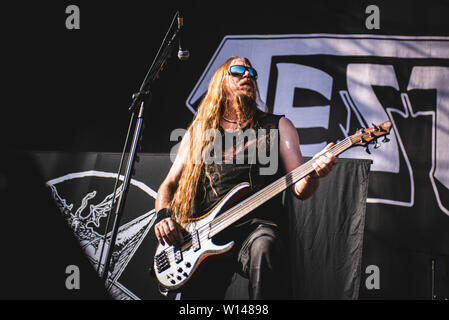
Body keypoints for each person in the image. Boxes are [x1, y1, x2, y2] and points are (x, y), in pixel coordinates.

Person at [153, 56, 337, 299]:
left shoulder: (279, 127)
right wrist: (163, 216)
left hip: (254, 229)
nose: (248, 75)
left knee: (265, 246)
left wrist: (314, 174)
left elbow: (300, 188)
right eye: (238, 70)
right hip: (202, 236)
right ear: (221, 81)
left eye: (251, 71)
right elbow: (169, 184)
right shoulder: (199, 132)